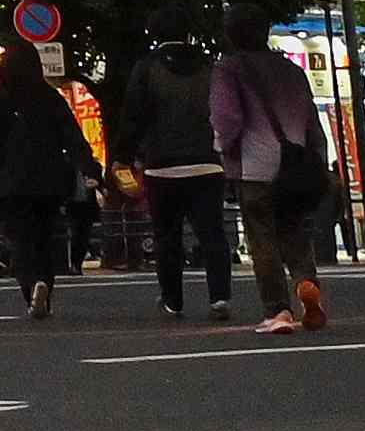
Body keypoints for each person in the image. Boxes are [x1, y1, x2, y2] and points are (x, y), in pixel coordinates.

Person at [217, 23, 337, 335]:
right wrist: (318, 159)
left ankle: (278, 311)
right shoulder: (291, 70)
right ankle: (306, 284)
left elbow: (227, 118)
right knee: (296, 233)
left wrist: (223, 147)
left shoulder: (229, 70)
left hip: (254, 167)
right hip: (294, 165)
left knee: (262, 237)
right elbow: (312, 120)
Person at [0, 42, 95, 318]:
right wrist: (89, 167)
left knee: (21, 239)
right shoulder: (50, 96)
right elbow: (72, 136)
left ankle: (32, 286)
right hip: (50, 180)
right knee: (45, 238)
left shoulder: (0, 98)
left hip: (12, 182)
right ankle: (45, 281)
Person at [125, 36, 236, 321]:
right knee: (212, 233)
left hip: (161, 165)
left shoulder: (147, 67)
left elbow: (134, 116)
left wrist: (124, 155)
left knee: (167, 236)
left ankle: (173, 299)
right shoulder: (210, 67)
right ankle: (219, 296)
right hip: (206, 162)